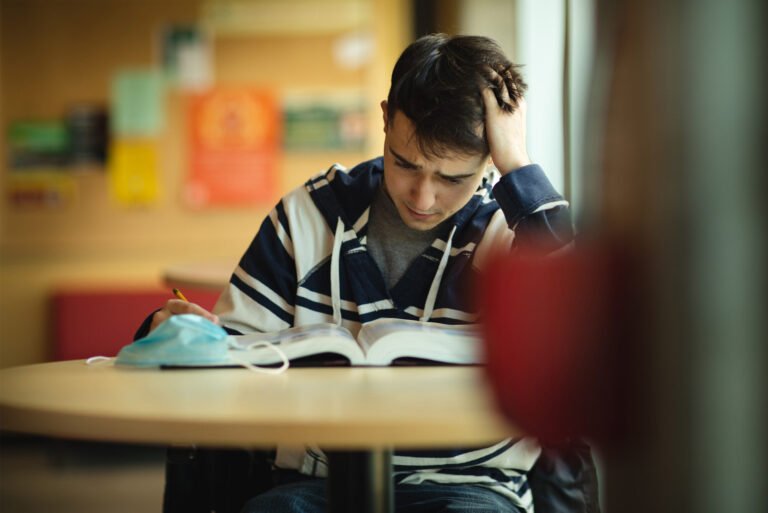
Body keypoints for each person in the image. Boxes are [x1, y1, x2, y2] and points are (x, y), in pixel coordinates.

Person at [138, 34, 595, 513]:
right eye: (405, 164)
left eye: (451, 179)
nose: (422, 197)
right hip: (320, 481)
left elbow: (580, 331)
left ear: (487, 161)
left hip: (473, 484)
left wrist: (517, 164)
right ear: (384, 119)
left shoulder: (509, 226)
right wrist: (188, 335)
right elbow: (234, 358)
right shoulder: (306, 215)